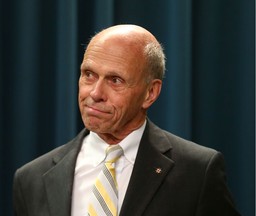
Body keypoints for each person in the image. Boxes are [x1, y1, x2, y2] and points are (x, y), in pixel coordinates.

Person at [13, 24, 240, 216]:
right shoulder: (32, 179)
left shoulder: (197, 172)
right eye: (89, 75)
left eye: (115, 80)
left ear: (150, 93)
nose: (95, 93)